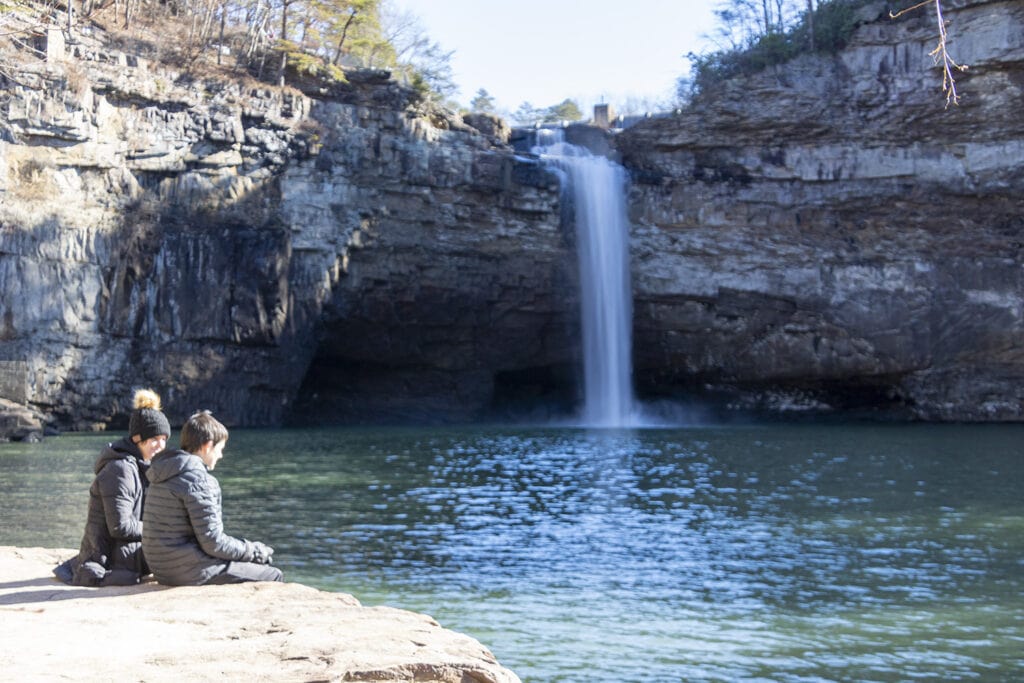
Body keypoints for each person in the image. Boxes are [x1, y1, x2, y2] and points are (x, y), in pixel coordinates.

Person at [142, 410, 282, 585]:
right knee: (272, 574)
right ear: (207, 446)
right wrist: (254, 551)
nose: (221, 455)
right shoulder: (200, 480)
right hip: (187, 571)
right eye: (220, 449)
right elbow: (213, 542)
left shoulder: (163, 471)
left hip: (162, 568)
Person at [54, 388, 171, 586]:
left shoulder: (147, 467)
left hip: (128, 553)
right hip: (109, 559)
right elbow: (121, 527)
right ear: (137, 439)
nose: (160, 445)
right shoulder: (120, 470)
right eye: (154, 439)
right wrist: (162, 529)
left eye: (163, 439)